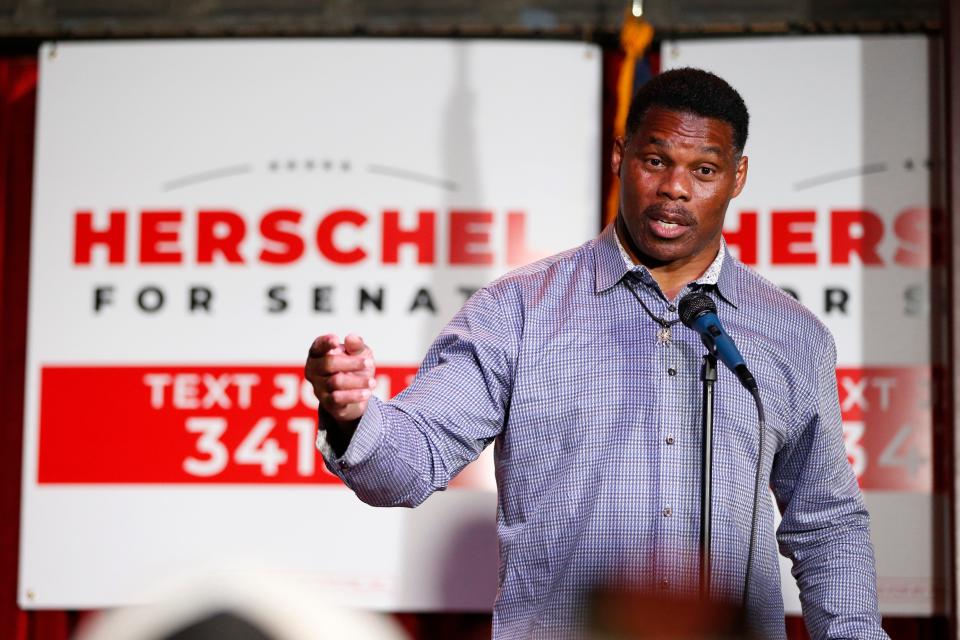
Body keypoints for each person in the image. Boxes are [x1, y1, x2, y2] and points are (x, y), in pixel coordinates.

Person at [304, 68, 887, 640]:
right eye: (656, 160)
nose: (676, 188)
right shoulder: (518, 311)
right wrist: (352, 416)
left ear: (738, 177)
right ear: (620, 156)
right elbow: (407, 463)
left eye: (704, 170)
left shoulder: (790, 334)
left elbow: (826, 523)